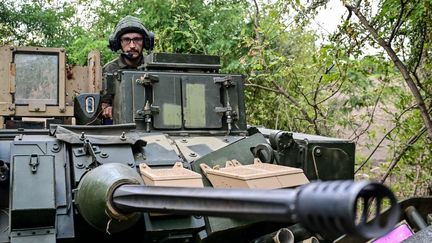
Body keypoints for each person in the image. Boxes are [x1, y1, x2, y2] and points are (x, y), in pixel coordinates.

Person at [101, 15, 154, 121]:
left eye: (137, 39)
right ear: (118, 43)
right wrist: (108, 109)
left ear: (145, 42)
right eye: (126, 40)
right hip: (120, 122)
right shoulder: (109, 69)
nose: (132, 46)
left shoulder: (153, 66)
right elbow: (104, 105)